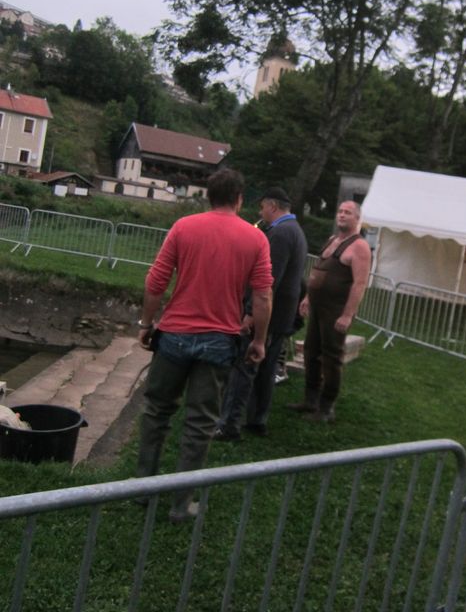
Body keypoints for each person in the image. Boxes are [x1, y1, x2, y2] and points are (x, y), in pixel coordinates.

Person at [135, 168, 272, 522]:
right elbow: (262, 297)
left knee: (156, 411)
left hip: (173, 336)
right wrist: (259, 340)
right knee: (199, 423)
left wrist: (147, 324)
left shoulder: (183, 227)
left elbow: (156, 280)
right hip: (219, 342)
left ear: (208, 196)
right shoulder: (255, 239)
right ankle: (181, 505)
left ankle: (142, 490)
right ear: (239, 199)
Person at [215, 187, 307, 439]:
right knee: (266, 370)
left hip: (267, 314)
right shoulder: (296, 231)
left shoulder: (280, 233)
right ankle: (257, 420)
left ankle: (229, 424)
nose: (261, 212)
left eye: (263, 207)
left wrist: (250, 313)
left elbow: (268, 280)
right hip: (282, 315)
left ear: (273, 206)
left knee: (244, 367)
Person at [287, 200, 371, 422]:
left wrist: (347, 315)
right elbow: (318, 270)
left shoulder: (359, 246)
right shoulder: (333, 240)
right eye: (340, 211)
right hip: (318, 307)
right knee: (311, 352)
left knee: (331, 358)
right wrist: (308, 297)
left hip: (336, 310)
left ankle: (326, 408)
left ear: (357, 218)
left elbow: (360, 283)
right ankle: (310, 400)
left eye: (348, 212)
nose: (342, 215)